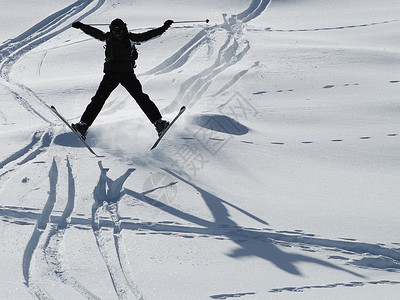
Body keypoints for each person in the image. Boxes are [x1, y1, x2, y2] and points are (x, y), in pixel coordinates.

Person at [70, 18, 174, 139]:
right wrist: (82, 26)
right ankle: (83, 126)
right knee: (98, 99)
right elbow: (94, 32)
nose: (117, 34)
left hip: (127, 74)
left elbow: (148, 35)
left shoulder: (130, 38)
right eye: (115, 32)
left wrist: (164, 27)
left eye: (119, 32)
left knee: (140, 97)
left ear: (124, 30)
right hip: (111, 75)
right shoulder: (108, 37)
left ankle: (159, 123)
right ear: (111, 30)